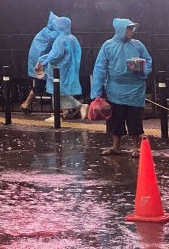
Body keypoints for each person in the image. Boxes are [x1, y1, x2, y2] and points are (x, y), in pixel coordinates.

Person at [92, 19, 152, 157]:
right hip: (115, 90)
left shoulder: (138, 45)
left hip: (135, 89)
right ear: (121, 30)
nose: (131, 31)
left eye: (132, 29)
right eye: (129, 29)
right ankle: (116, 147)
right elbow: (100, 68)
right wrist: (97, 92)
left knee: (135, 120)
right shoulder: (108, 46)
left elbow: (148, 60)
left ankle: (136, 147)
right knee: (116, 120)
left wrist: (142, 69)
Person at [36, 16, 82, 121]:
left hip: (58, 69)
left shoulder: (60, 39)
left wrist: (43, 61)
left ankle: (76, 106)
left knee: (57, 90)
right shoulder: (72, 38)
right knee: (63, 90)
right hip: (69, 69)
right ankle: (64, 112)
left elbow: (56, 53)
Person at [20, 12, 59, 114]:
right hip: (40, 61)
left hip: (38, 61)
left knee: (40, 84)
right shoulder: (49, 33)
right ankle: (58, 110)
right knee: (49, 83)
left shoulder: (44, 32)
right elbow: (57, 36)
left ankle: (26, 104)